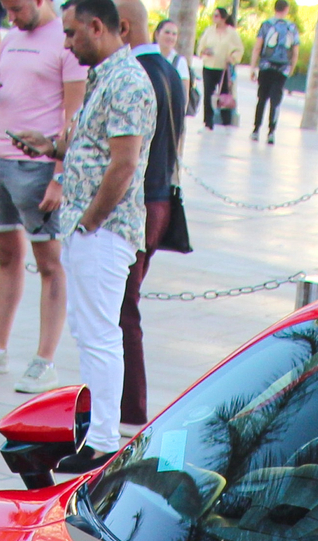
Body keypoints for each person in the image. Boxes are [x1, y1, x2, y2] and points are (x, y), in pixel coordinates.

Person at [11, 0, 147, 474]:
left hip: (105, 230)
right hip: (90, 227)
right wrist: (51, 146)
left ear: (98, 26)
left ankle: (104, 441)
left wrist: (90, 218)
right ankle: (97, 435)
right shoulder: (106, 76)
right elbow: (92, 143)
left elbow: (125, 163)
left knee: (99, 334)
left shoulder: (128, 80)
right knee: (90, 332)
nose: (66, 43)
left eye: (71, 34)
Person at [0, 0, 84, 390]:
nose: (12, 16)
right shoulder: (10, 38)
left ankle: (45, 359)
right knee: (7, 255)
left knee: (49, 262)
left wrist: (60, 175)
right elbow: (0, 105)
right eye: (7, 9)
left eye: (18, 8)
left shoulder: (66, 39)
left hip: (39, 167)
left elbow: (72, 115)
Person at [117, 0, 183, 428]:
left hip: (142, 200)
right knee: (125, 304)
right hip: (161, 199)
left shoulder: (137, 74)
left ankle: (130, 411)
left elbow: (129, 154)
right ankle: (125, 407)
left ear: (122, 28)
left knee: (124, 308)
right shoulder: (172, 72)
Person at [250, 0, 296, 142]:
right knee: (275, 101)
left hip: (266, 66)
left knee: (262, 99)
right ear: (286, 9)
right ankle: (271, 132)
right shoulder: (292, 27)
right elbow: (295, 51)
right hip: (282, 69)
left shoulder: (266, 24)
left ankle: (256, 129)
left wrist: (253, 67)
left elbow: (258, 47)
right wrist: (291, 68)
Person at [197, 8, 240, 129]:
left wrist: (232, 58)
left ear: (223, 18)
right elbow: (200, 46)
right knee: (208, 93)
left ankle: (226, 120)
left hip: (223, 69)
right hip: (209, 66)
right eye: (213, 15)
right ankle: (208, 121)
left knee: (224, 93)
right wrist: (204, 51)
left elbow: (239, 49)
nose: (214, 18)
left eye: (217, 16)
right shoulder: (209, 31)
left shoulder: (232, 33)